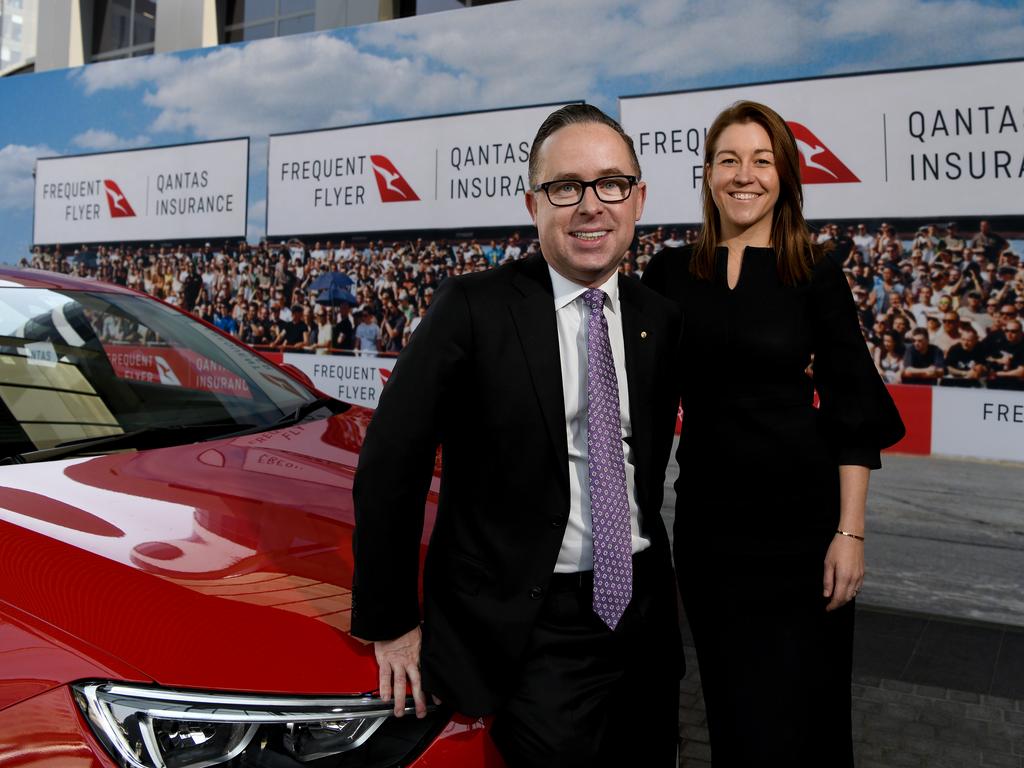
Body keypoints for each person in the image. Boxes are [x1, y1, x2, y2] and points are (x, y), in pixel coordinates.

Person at [351, 104, 683, 768]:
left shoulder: (658, 317)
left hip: (643, 615)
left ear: (638, 199)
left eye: (611, 183)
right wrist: (391, 624)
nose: (592, 205)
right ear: (533, 203)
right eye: (567, 187)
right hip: (533, 627)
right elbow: (393, 464)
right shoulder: (471, 308)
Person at [642, 100, 904, 766]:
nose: (744, 174)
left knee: (806, 720)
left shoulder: (813, 271)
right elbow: (640, 405)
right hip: (709, 535)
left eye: (762, 160)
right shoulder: (670, 273)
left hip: (803, 533)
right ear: (707, 175)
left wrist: (850, 534)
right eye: (728, 159)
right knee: (733, 716)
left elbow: (853, 413)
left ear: (786, 175)